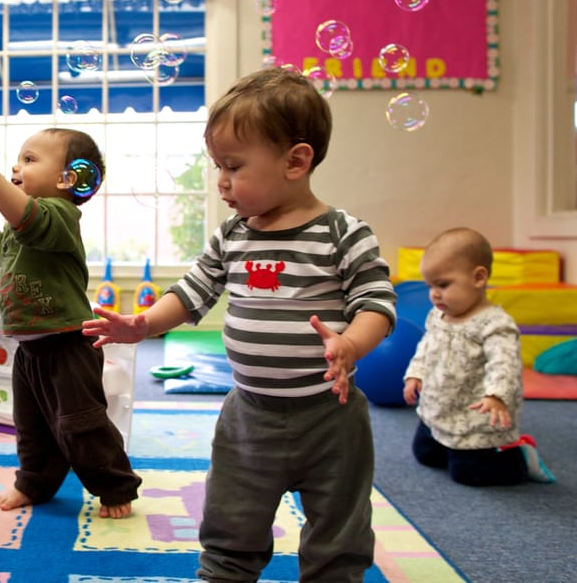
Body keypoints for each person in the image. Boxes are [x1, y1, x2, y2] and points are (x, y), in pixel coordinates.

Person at [82, 68, 397, 581]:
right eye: (217, 167)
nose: (222, 181)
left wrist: (350, 344)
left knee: (340, 534)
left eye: (233, 166)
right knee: (231, 524)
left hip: (331, 418)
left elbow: (378, 303)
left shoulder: (344, 233)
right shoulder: (231, 235)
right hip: (249, 416)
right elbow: (191, 293)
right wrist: (144, 325)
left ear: (296, 161)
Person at [0, 127, 142, 519]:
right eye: (16, 160)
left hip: (68, 344)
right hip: (31, 348)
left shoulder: (59, 216)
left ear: (66, 179)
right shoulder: (18, 228)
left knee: (81, 424)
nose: (17, 167)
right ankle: (33, 481)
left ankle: (116, 486)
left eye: (30, 160)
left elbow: (25, 216)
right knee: (31, 425)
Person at [402, 227, 555, 485]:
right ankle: (446, 441)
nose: (434, 294)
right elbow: (426, 346)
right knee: (426, 455)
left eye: (443, 284)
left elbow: (504, 363)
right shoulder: (437, 315)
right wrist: (415, 374)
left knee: (468, 474)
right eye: (430, 286)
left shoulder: (494, 324)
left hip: (475, 414)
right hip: (439, 407)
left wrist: (496, 395)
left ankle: (520, 458)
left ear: (478, 277)